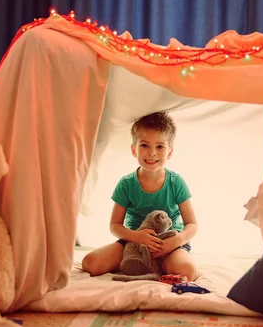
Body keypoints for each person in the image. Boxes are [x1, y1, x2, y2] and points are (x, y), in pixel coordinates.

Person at [81, 111, 198, 281]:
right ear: (133, 150)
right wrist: (137, 236)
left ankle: (159, 263)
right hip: (133, 244)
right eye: (144, 145)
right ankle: (144, 262)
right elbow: (115, 225)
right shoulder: (126, 184)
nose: (151, 153)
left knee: (187, 271)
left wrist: (175, 241)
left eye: (159, 146)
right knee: (90, 264)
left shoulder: (176, 182)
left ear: (170, 152)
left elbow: (192, 225)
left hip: (169, 244)